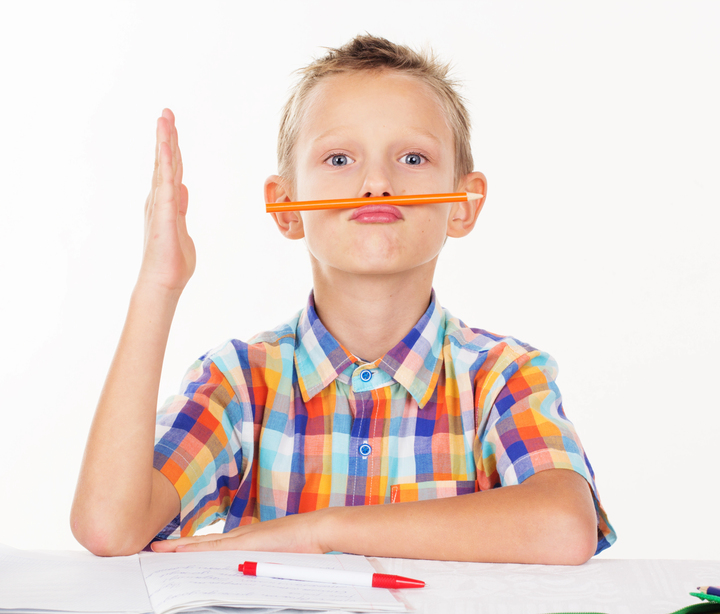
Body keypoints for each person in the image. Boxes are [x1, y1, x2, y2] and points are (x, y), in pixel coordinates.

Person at [70, 35, 616, 564]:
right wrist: (157, 287)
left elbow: (566, 527)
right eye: (338, 160)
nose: (376, 183)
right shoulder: (240, 382)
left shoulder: (503, 377)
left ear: (463, 204)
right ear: (286, 206)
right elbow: (108, 527)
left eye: (411, 158)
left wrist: (320, 532)